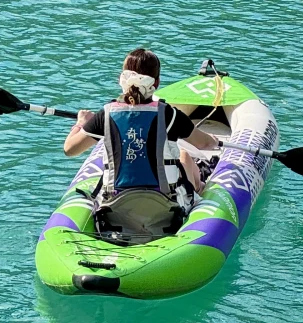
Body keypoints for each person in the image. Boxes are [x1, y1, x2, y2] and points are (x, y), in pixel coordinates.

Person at [63, 48, 214, 216]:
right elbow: (205, 143)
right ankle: (199, 190)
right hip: (166, 208)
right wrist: (214, 140)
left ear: (122, 79)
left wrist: (81, 123)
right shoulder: (169, 115)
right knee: (184, 156)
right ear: (156, 82)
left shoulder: (105, 114)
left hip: (115, 207)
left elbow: (70, 149)